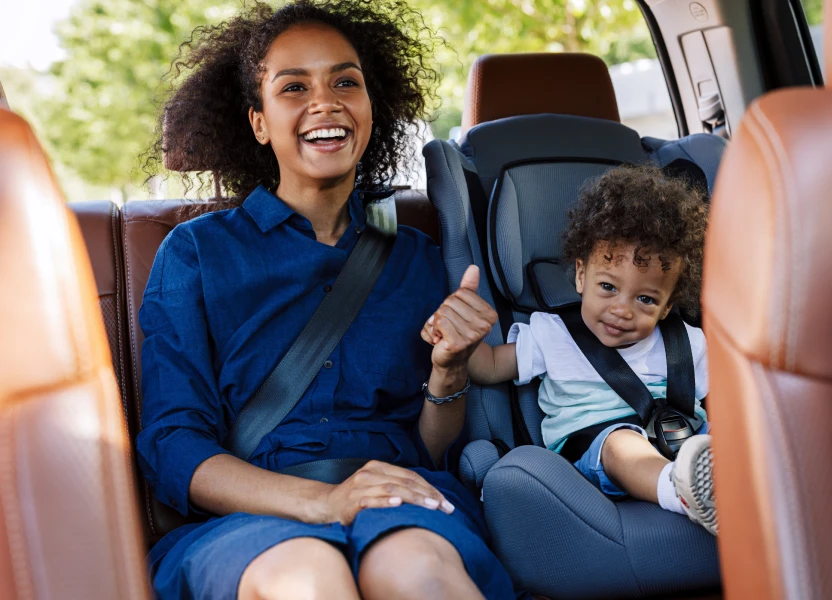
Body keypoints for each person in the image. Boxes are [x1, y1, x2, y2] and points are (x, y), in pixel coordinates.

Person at [137, 2, 516, 598]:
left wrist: (449, 371)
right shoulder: (196, 253)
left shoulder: (417, 255)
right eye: (294, 87)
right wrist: (323, 501)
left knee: (418, 572)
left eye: (345, 82)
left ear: (370, 108)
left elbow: (429, 449)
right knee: (307, 578)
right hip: (253, 517)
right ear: (259, 123)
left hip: (398, 499)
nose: (326, 102)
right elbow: (173, 445)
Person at [442, 165, 718, 535]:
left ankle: (729, 487)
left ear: (668, 306)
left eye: (646, 299)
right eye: (608, 287)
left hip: (685, 442)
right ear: (581, 275)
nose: (622, 310)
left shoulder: (688, 343)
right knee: (622, 445)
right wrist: (461, 341)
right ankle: (680, 493)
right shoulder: (553, 335)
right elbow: (489, 366)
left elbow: (723, 405)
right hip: (595, 446)